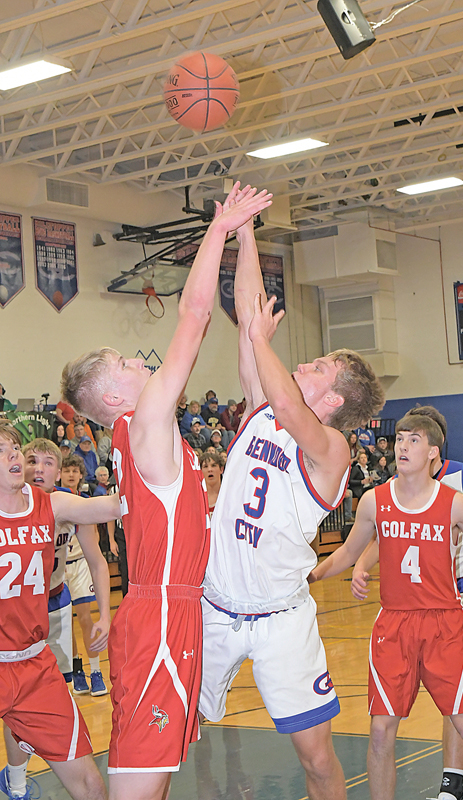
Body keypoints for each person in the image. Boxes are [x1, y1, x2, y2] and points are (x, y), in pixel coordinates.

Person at [59, 183, 273, 800]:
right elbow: (195, 314)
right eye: (125, 363)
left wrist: (243, 238)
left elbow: (242, 347)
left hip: (169, 609)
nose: (138, 362)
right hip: (159, 613)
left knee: (150, 779)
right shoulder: (148, 419)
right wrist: (221, 226)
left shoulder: (135, 434)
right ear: (116, 399)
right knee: (138, 784)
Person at [199, 211, 384, 800]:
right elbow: (249, 319)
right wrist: (244, 232)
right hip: (216, 605)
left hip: (281, 618)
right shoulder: (260, 407)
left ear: (334, 396)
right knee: (169, 732)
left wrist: (258, 337)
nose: (306, 361)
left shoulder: (332, 450)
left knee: (318, 759)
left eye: (320, 365)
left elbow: (280, 389)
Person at [310, 413, 463, 800]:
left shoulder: (455, 504)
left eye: (413, 440)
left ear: (432, 452)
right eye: (400, 439)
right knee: (379, 731)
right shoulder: (374, 500)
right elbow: (348, 552)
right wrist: (309, 577)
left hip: (443, 625)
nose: (403, 447)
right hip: (393, 627)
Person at [0, 419, 119, 800]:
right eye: (1, 453)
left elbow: (111, 506)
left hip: (35, 664)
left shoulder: (51, 504)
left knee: (89, 784)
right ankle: (16, 781)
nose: (13, 456)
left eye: (14, 449)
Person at [61, 454, 110, 696]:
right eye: (67, 470)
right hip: (58, 567)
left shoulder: (85, 501)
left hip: (79, 564)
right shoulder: (52, 500)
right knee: (64, 623)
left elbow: (95, 539)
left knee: (84, 619)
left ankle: (96, 671)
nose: (71, 474)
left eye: (75, 471)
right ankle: (77, 669)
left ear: (81, 475)